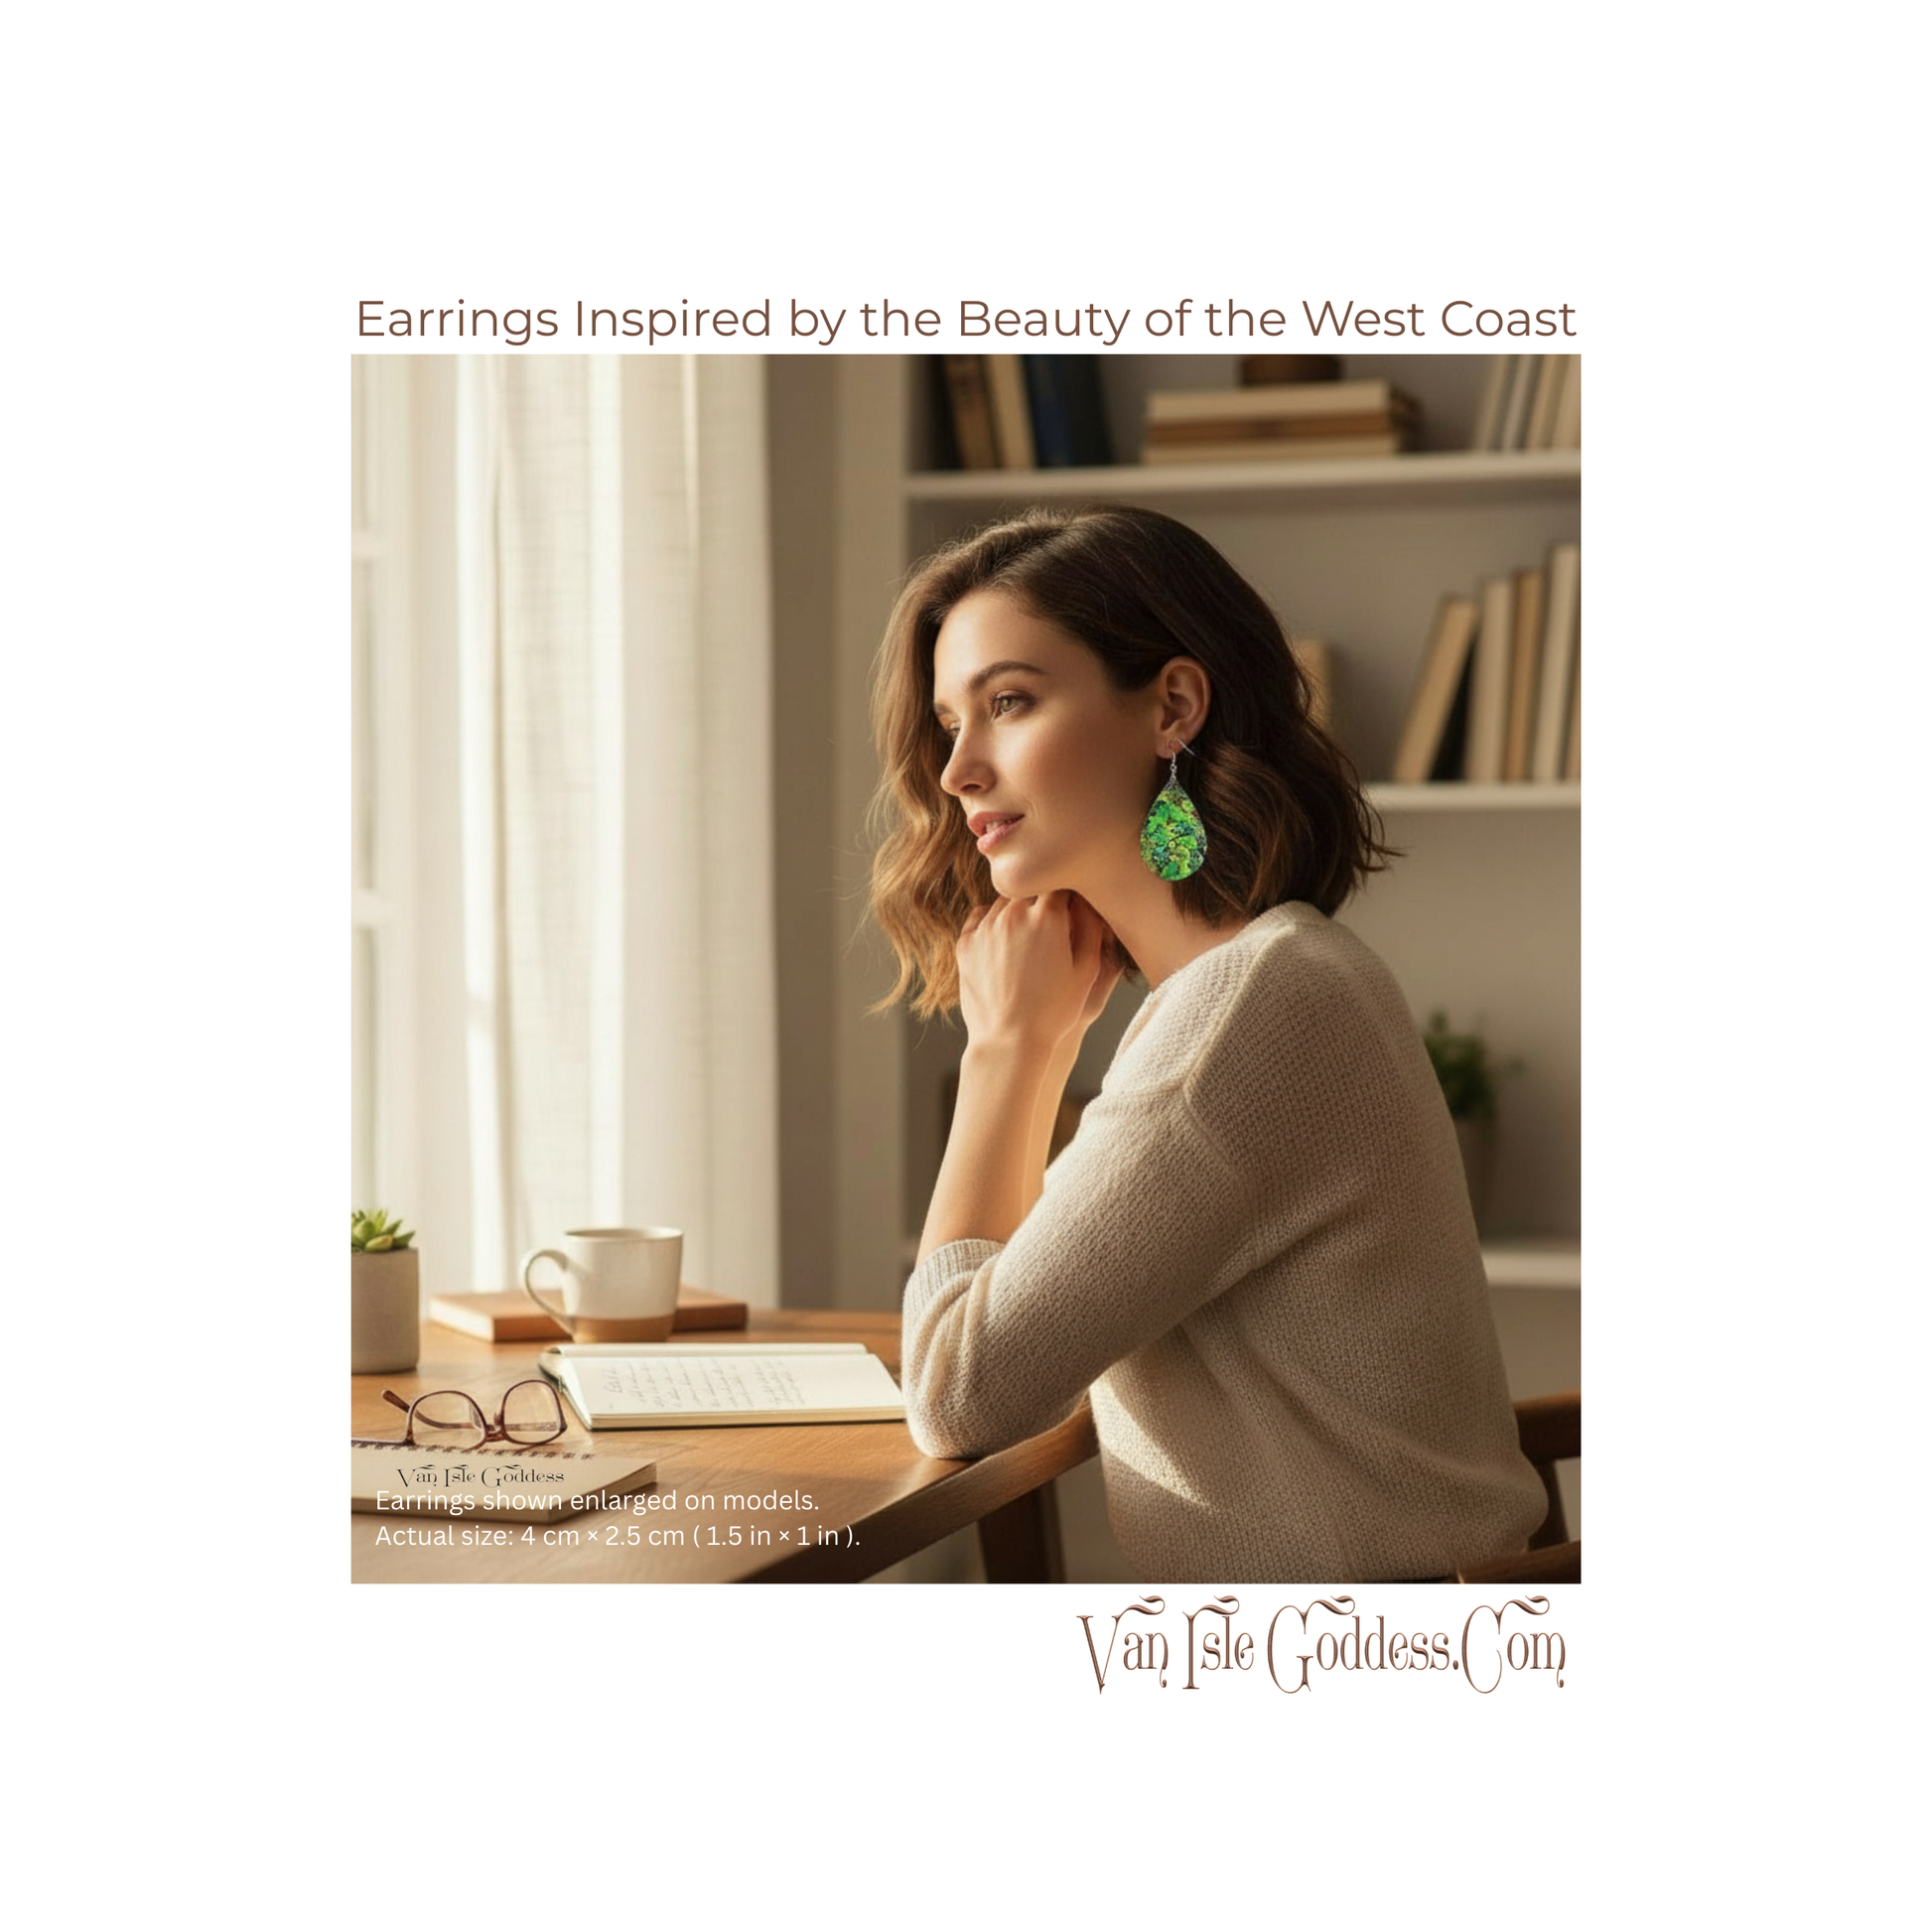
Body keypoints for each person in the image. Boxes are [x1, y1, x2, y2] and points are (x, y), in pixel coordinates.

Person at [866, 503, 1549, 1585]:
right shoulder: (1263, 975)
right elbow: (995, 1354)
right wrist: (1037, 1044)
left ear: (1171, 705)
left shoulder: (1242, 1009)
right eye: (951, 720)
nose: (957, 770)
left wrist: (1007, 1051)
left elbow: (959, 1393)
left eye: (1008, 702)